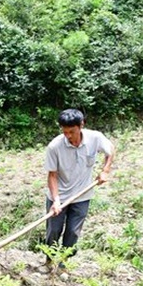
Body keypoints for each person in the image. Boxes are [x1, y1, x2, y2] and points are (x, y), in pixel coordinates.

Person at [44, 108, 114, 261]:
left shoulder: (95, 138)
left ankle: (64, 262)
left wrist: (105, 170)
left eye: (72, 132)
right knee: (53, 230)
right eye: (65, 132)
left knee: (73, 232)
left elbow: (110, 150)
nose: (68, 136)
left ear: (81, 125)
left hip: (82, 195)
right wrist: (56, 201)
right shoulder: (54, 147)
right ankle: (49, 261)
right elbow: (52, 176)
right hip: (59, 196)